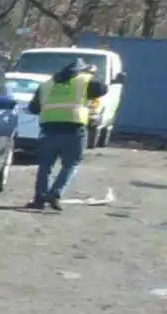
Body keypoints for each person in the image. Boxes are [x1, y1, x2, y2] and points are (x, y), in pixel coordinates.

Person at [26, 58, 108, 212]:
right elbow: (103, 89)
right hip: (74, 129)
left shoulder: (47, 84)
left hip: (49, 129)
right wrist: (93, 74)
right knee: (71, 164)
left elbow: (33, 108)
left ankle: (39, 198)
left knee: (45, 165)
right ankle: (55, 194)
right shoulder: (85, 81)